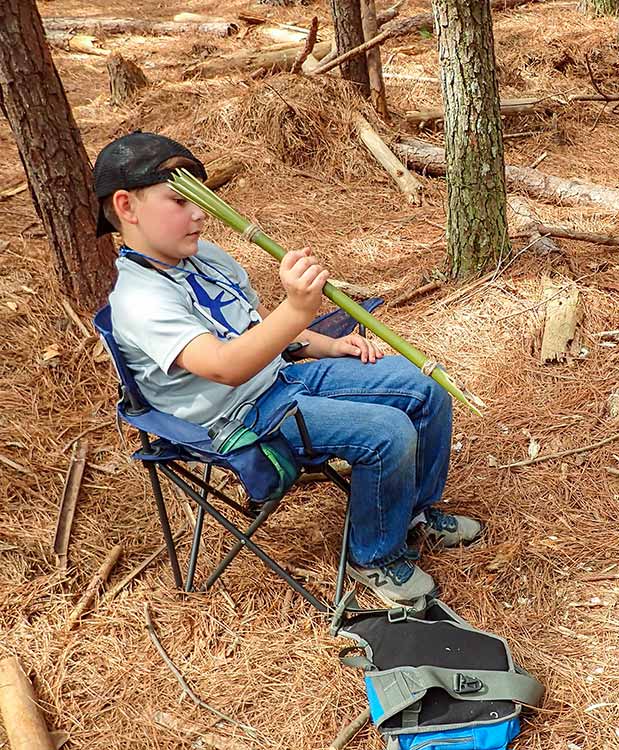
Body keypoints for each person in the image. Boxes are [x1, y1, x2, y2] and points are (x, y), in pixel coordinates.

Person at [95, 131, 482, 606]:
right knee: (388, 432)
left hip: (282, 377)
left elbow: (257, 330)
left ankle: (413, 515)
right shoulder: (139, 300)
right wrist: (298, 309)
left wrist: (326, 343)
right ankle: (376, 557)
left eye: (201, 197)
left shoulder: (204, 258)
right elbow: (225, 366)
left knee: (424, 390)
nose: (200, 213)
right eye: (180, 200)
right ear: (127, 207)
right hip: (242, 421)